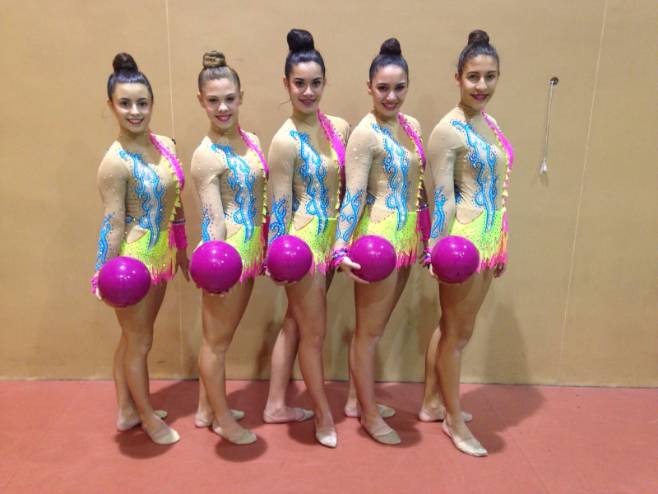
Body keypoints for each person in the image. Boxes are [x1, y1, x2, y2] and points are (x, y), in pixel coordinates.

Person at [421, 29, 514, 457]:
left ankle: (431, 402)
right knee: (457, 335)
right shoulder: (447, 131)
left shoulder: (489, 123)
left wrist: (501, 242)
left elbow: (498, 189)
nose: (481, 85)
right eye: (473, 76)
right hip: (462, 245)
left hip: (488, 239)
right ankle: (453, 421)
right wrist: (437, 252)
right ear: (457, 77)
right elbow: (442, 198)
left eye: (489, 76)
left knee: (451, 328)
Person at [332, 38, 425, 445]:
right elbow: (352, 197)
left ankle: (357, 400)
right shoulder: (364, 135)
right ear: (369, 87)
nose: (391, 96)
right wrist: (340, 247)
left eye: (399, 88)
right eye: (383, 88)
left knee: (378, 328)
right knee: (367, 334)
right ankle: (369, 415)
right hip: (376, 244)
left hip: (405, 241)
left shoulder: (412, 126)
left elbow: (418, 186)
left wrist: (426, 235)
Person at [92, 53, 189, 445]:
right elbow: (113, 224)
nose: (135, 112)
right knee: (140, 341)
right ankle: (147, 417)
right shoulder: (114, 163)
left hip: (161, 255)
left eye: (142, 103)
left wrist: (181, 247)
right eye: (125, 104)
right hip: (131, 265)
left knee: (134, 338)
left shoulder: (165, 145)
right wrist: (102, 273)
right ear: (111, 106)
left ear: (152, 103)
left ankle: (126, 410)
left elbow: (176, 200)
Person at [264, 29, 349, 448]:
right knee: (314, 335)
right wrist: (277, 260)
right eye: (299, 83)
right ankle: (323, 414)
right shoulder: (284, 142)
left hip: (330, 242)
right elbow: (279, 208)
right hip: (302, 249)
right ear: (286, 84)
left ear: (325, 82)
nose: (308, 91)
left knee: (295, 323)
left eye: (316, 83)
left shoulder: (338, 128)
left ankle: (275, 404)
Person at [190, 51, 269, 445]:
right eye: (213, 100)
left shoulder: (252, 141)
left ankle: (206, 409)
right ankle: (222, 420)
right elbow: (212, 219)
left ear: (241, 97)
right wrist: (215, 271)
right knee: (216, 342)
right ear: (201, 101)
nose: (222, 108)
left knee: (222, 338)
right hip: (224, 258)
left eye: (229, 99)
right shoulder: (205, 156)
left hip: (249, 253)